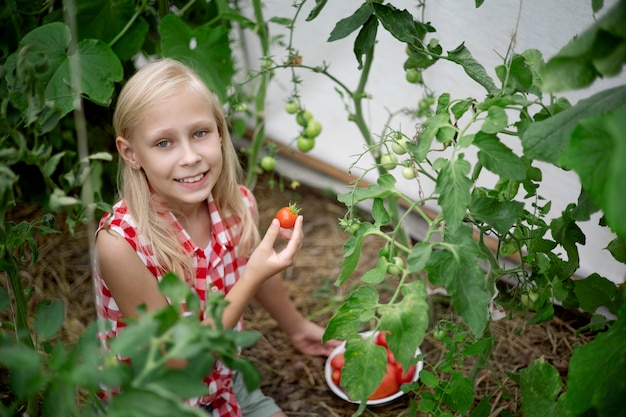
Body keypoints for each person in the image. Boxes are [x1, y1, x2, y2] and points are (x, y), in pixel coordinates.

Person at [93, 58, 339, 417]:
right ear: (131, 154)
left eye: (199, 133)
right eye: (164, 143)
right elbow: (176, 361)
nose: (190, 157)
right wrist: (252, 274)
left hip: (222, 380)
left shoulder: (236, 206)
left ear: (220, 132)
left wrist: (297, 327)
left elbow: (255, 267)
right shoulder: (121, 244)